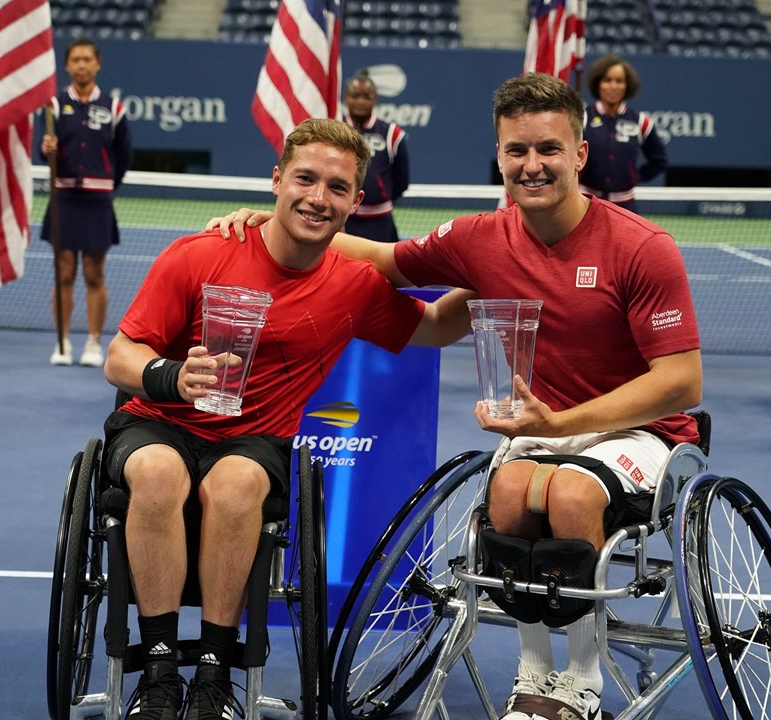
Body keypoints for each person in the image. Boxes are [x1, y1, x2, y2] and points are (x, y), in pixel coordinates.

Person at [210, 72, 703, 720]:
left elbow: (681, 381)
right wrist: (274, 225)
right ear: (499, 156)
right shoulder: (480, 239)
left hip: (642, 432)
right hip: (543, 428)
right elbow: (386, 261)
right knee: (505, 494)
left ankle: (580, 681)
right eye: (517, 151)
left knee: (573, 492)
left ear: (579, 155)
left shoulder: (644, 248)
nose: (533, 165)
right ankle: (534, 672)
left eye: (548, 149)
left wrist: (563, 426)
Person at [102, 118, 473, 720]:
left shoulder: (354, 285)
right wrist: (173, 376)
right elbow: (120, 357)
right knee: (157, 471)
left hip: (253, 441)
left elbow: (433, 328)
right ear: (277, 180)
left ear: (356, 202)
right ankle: (162, 669)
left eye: (336, 187)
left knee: (238, 483)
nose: (316, 198)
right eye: (304, 178)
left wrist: (498, 277)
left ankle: (217, 671)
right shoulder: (199, 253)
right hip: (160, 421)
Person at [41, 36, 133, 368]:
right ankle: (63, 341)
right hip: (63, 197)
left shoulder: (113, 108)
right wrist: (46, 150)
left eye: (87, 59)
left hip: (97, 201)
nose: (81, 65)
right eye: (75, 60)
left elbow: (123, 155)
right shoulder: (52, 107)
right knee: (63, 273)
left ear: (97, 64)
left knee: (94, 273)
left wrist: (107, 185)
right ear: (67, 65)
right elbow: (46, 155)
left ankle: (94, 342)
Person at [578, 54, 667, 214]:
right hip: (586, 202)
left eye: (619, 81)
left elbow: (659, 161)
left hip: (625, 206)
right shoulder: (582, 119)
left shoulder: (641, 122)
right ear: (598, 84)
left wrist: (635, 176)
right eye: (607, 80)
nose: (613, 86)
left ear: (627, 85)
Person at [341, 70, 411, 243]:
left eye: (367, 96)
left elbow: (402, 180)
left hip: (381, 222)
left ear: (376, 100)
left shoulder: (392, 134)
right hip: (342, 219)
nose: (360, 101)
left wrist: (380, 196)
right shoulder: (333, 130)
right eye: (355, 95)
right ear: (345, 98)